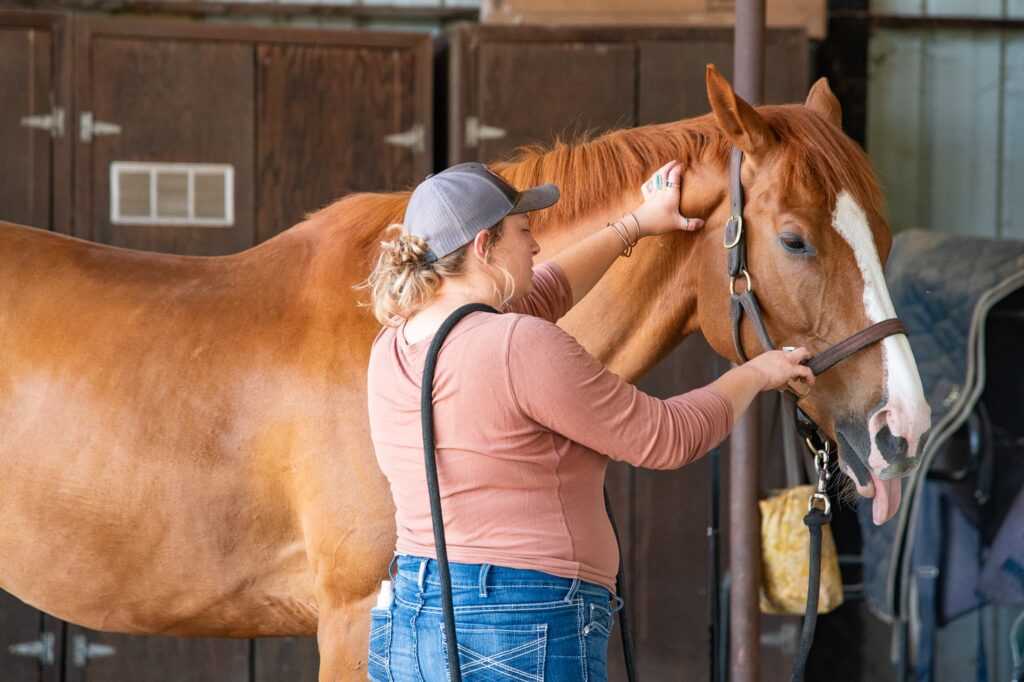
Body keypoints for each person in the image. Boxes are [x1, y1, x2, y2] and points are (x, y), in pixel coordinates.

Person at [361, 160, 814, 681]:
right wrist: (759, 372)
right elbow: (665, 438)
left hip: (411, 621)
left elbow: (545, 291)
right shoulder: (517, 345)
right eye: (525, 232)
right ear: (485, 247)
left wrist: (639, 223)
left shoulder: (392, 345)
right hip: (520, 619)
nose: (535, 247)